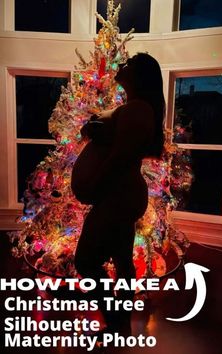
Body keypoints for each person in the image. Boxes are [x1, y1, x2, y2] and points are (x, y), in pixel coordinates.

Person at [71, 52, 165, 336]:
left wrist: (93, 186)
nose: (121, 66)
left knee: (86, 261)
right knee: (123, 260)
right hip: (119, 194)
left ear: (139, 74)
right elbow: (118, 141)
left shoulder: (138, 109)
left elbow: (122, 156)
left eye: (129, 64)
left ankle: (115, 318)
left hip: (117, 195)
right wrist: (95, 130)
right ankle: (119, 323)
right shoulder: (135, 108)